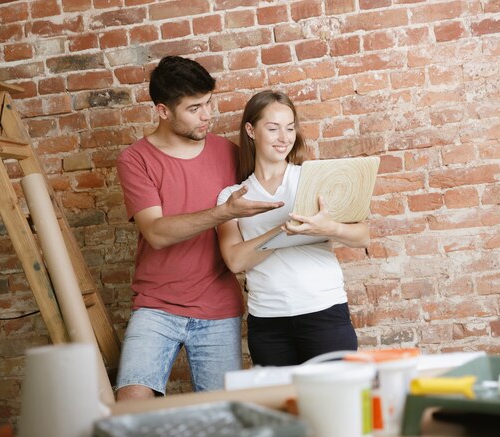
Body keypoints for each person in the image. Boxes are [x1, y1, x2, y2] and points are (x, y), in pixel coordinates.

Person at [115, 57, 283, 400]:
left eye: (209, 103)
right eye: (194, 108)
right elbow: (157, 232)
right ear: (163, 110)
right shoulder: (135, 159)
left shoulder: (230, 153)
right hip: (155, 305)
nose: (207, 115)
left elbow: (274, 184)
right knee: (131, 401)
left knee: (223, 416)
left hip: (218, 307)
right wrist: (223, 212)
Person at [216, 90, 370, 366]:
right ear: (250, 130)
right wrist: (286, 230)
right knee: (283, 408)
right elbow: (235, 260)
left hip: (324, 313)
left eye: (290, 128)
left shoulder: (312, 179)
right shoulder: (233, 196)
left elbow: (362, 236)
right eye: (273, 129)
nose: (284, 138)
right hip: (268, 324)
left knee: (333, 406)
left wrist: (330, 228)